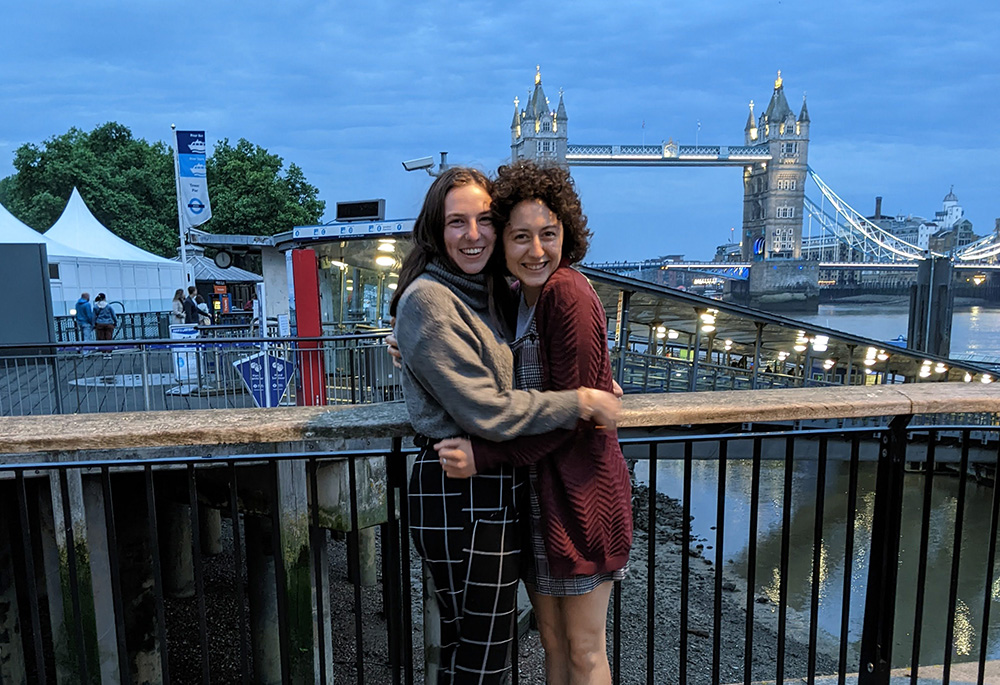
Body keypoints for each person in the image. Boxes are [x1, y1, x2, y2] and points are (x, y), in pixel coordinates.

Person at [389, 166, 620, 685]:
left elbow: (554, 362)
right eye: (456, 222)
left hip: (510, 483)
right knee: (484, 653)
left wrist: (596, 381)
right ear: (434, 228)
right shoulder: (433, 298)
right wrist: (582, 399)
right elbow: (489, 409)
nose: (473, 235)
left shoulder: (500, 293)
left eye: (484, 221)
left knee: (493, 648)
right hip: (462, 484)